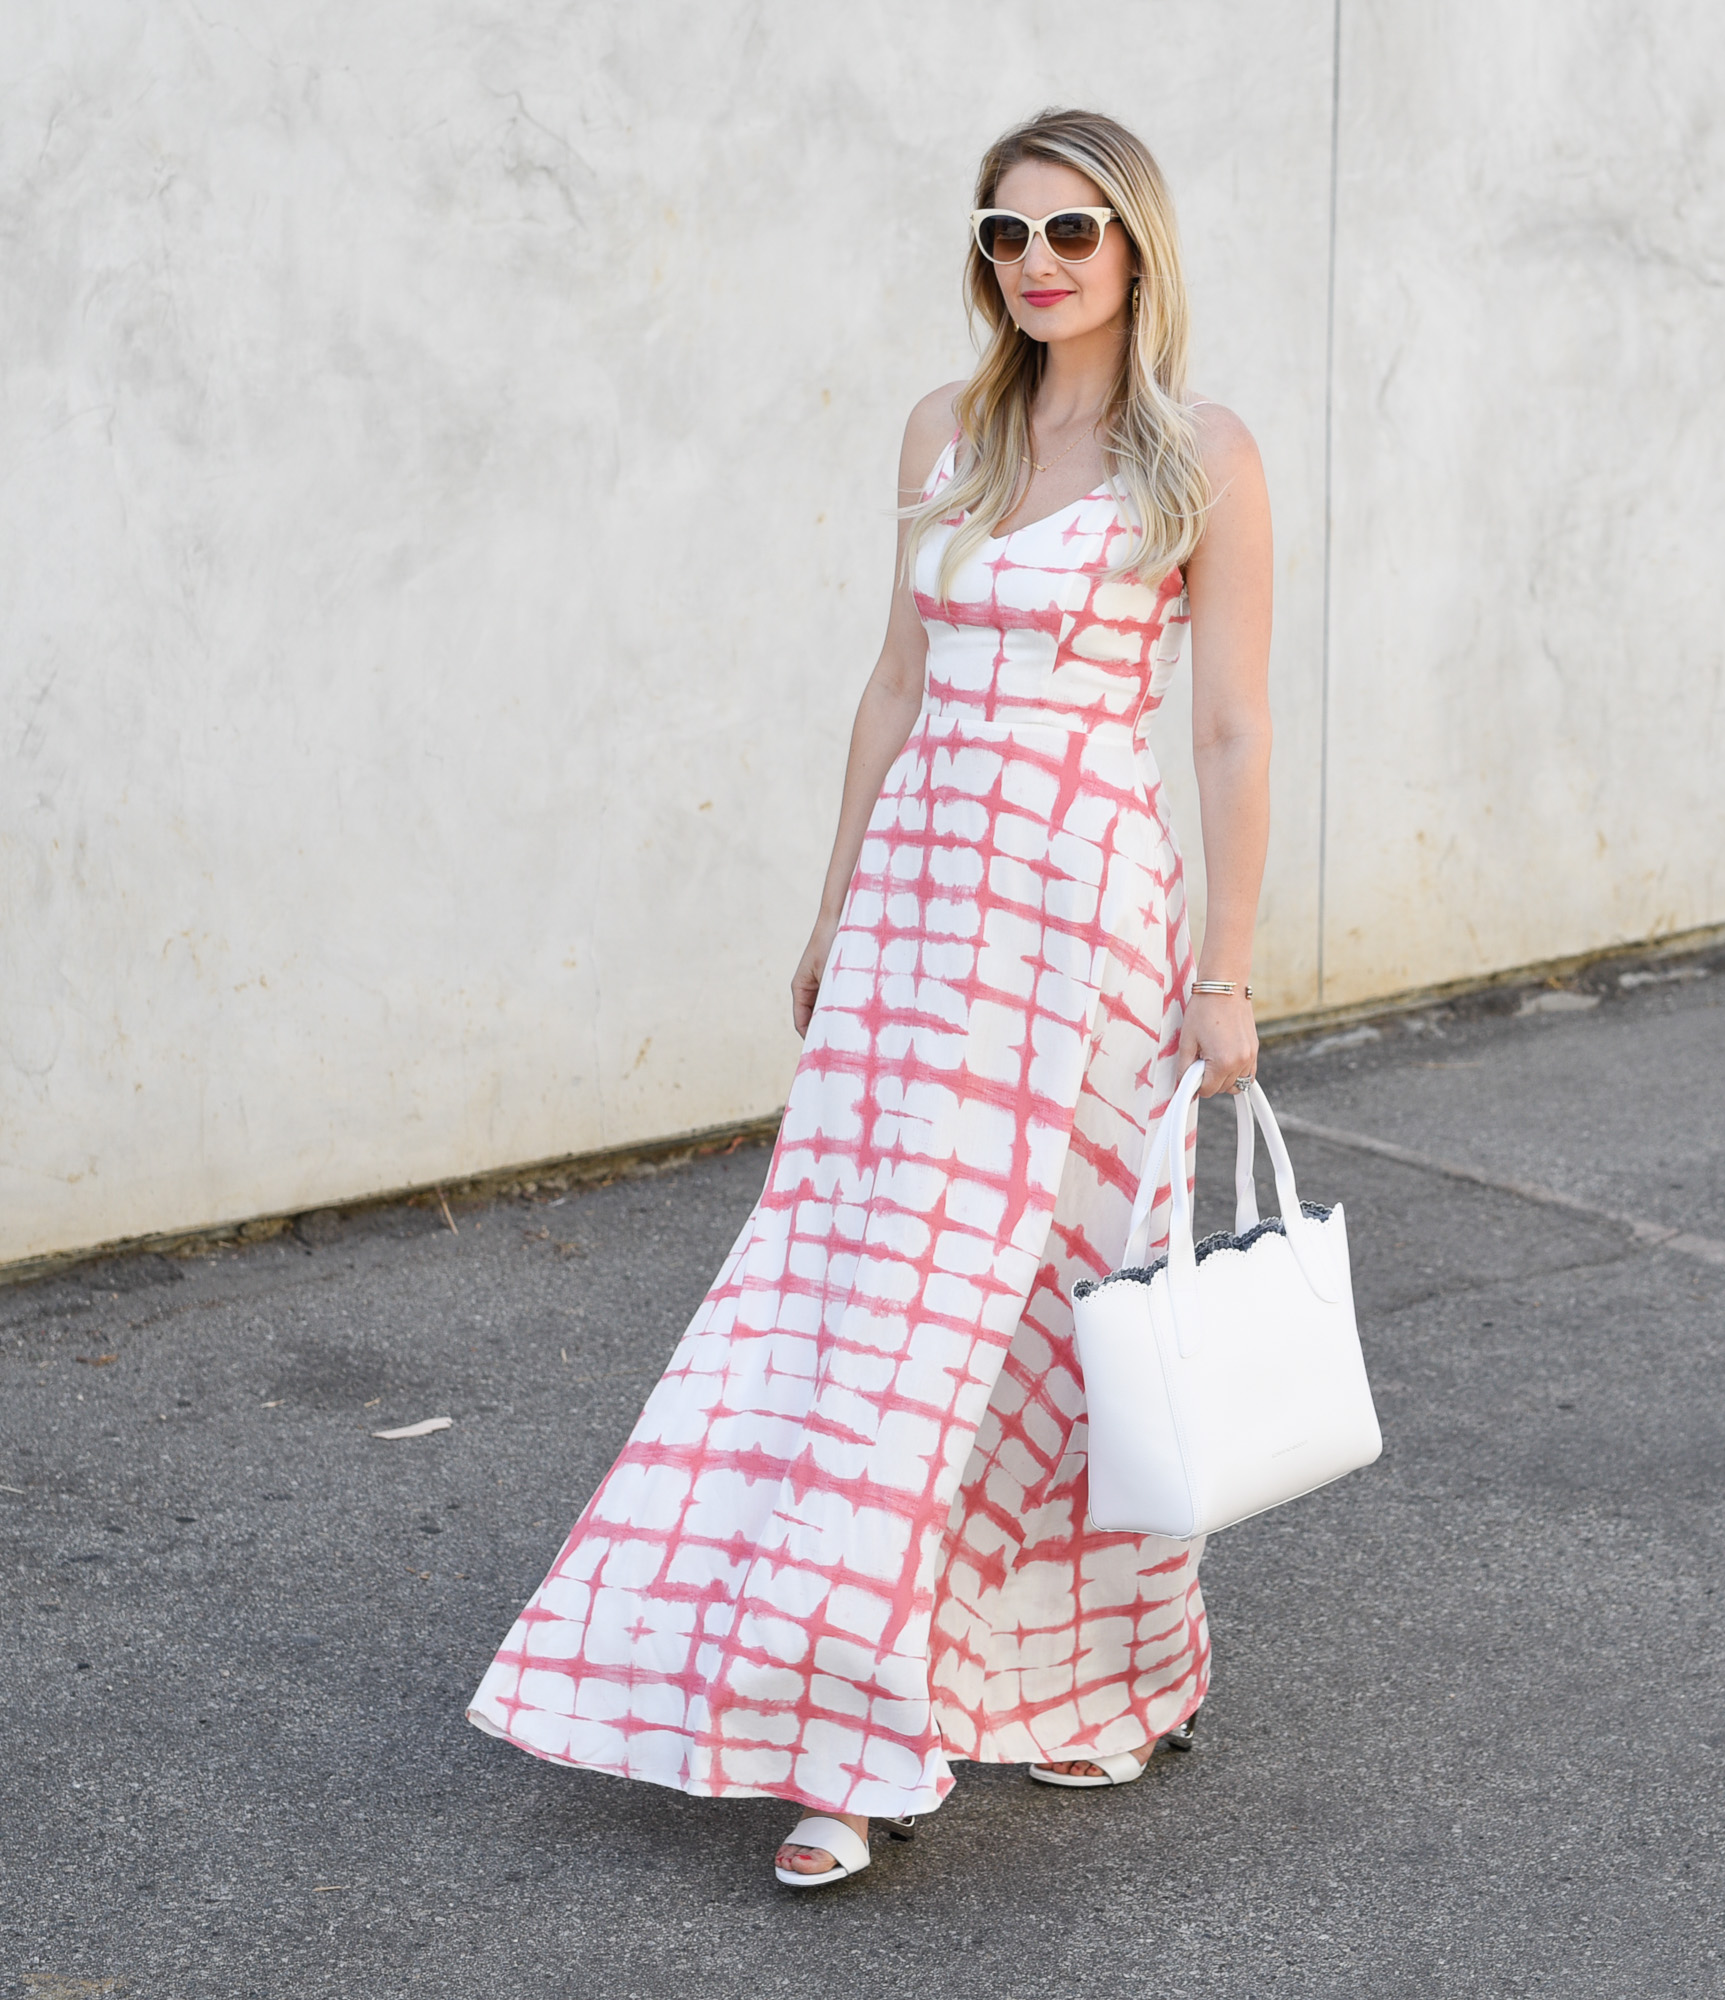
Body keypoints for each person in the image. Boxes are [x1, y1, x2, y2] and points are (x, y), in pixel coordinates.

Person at [467, 105, 1273, 1890]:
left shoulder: (1200, 456)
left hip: (1081, 918)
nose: (1037, 266)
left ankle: (1088, 1683)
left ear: (1136, 246)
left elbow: (1227, 726)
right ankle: (849, 1736)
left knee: (1063, 1312)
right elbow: (894, 684)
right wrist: (833, 912)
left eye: (1071, 234)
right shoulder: (950, 431)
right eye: (1006, 235)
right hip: (921, 918)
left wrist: (1225, 969)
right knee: (867, 1312)